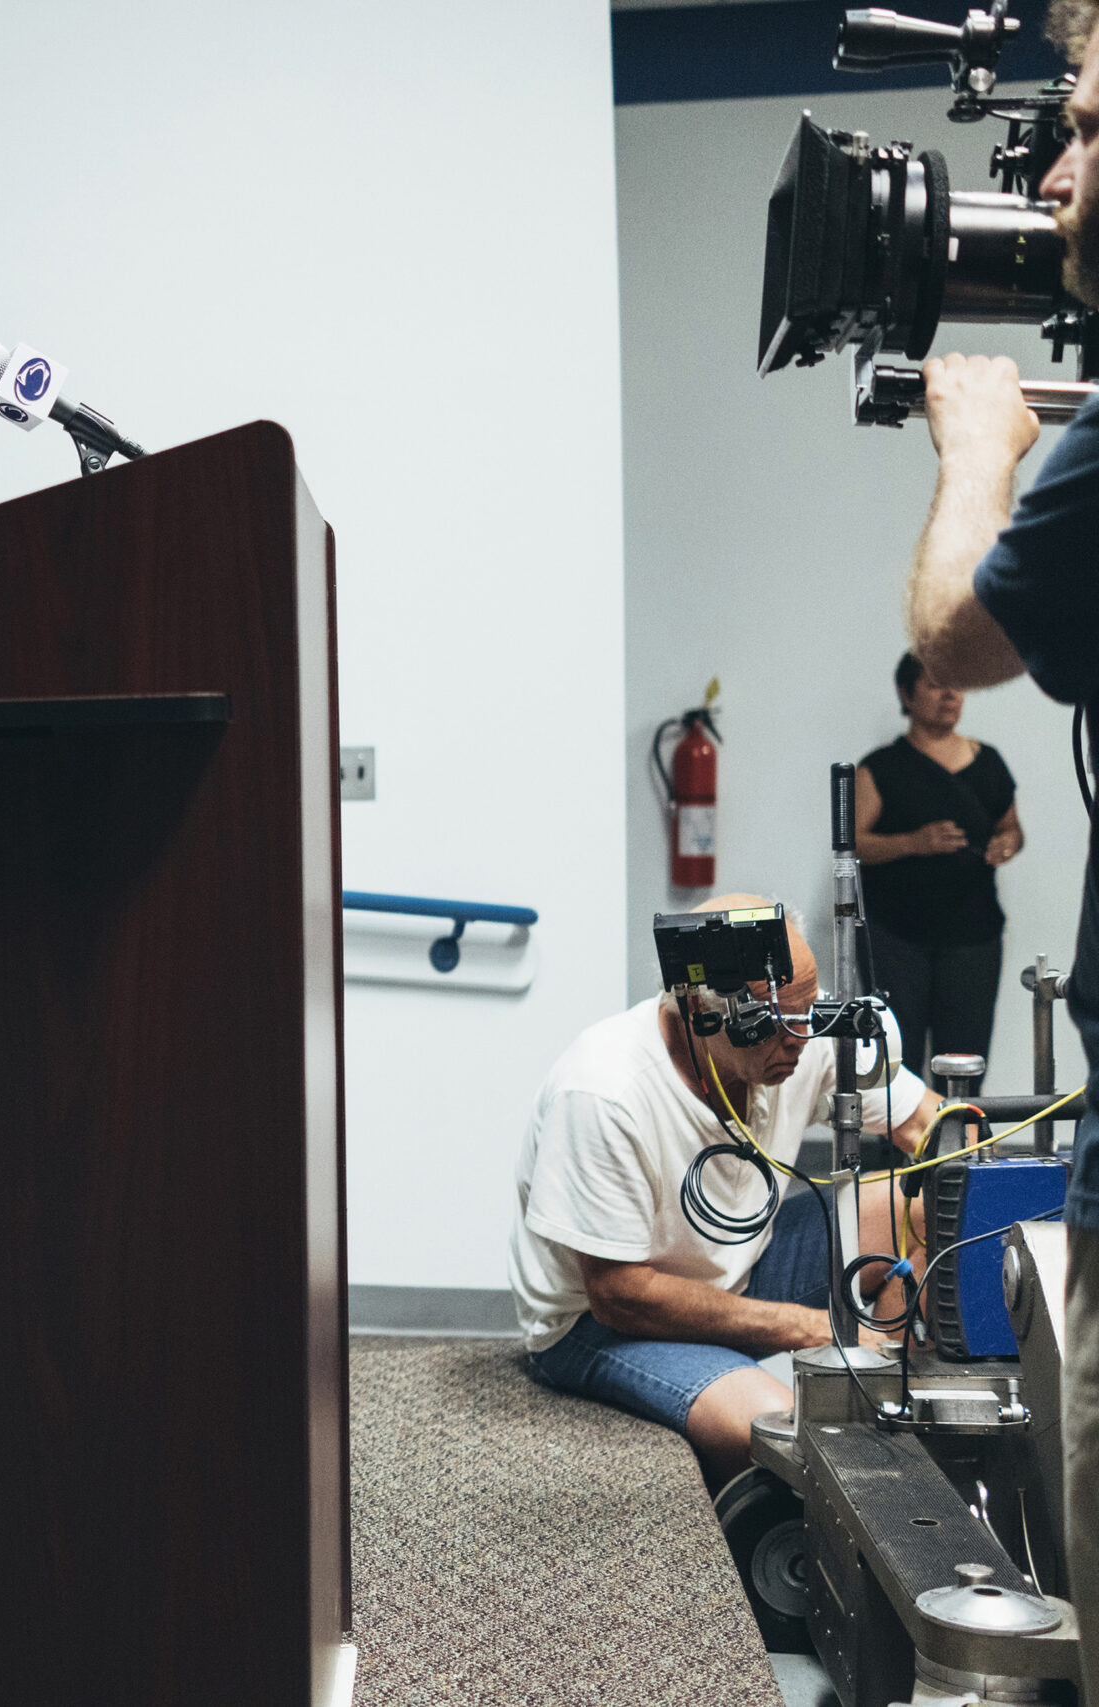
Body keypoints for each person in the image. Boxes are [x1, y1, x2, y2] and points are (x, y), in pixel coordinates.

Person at [907, 7, 1099, 1692]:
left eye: (1090, 132)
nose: (1053, 183)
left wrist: (980, 449)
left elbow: (964, 632)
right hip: (936, 919)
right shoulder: (902, 767)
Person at [510, 897, 937, 1486]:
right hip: (604, 1321)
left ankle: (894, 1403)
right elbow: (619, 1294)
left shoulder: (803, 1038)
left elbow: (930, 1126)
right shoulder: (603, 1092)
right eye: (776, 1026)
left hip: (743, 1263)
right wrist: (818, 1329)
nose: (800, 1042)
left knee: (923, 1211)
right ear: (700, 1011)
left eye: (808, 1015)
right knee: (769, 1432)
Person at [854, 652, 1023, 1069]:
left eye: (957, 685)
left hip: (973, 936)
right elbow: (852, 846)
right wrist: (914, 842)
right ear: (906, 694)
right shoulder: (881, 768)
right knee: (896, 1060)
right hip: (897, 937)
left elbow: (1012, 829)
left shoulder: (989, 763)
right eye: (934, 684)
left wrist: (1007, 844)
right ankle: (900, 1138)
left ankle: (965, 1136)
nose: (949, 695)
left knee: (965, 1058)